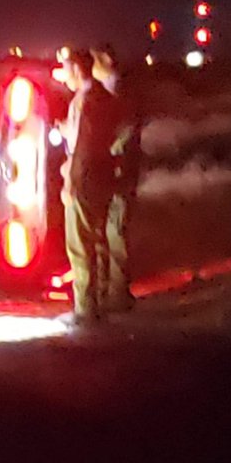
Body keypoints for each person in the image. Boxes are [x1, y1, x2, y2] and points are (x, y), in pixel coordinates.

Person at [58, 47, 122, 323]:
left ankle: (84, 309)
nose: (63, 76)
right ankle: (101, 300)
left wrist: (70, 182)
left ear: (76, 69)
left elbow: (83, 146)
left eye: (65, 69)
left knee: (80, 242)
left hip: (85, 177)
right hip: (103, 175)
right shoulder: (104, 97)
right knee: (97, 239)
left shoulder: (85, 101)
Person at [91, 44, 143, 313]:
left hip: (119, 175)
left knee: (116, 232)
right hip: (112, 174)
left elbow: (123, 135)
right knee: (105, 232)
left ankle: (117, 295)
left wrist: (103, 150)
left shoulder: (119, 96)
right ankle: (107, 292)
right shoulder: (111, 95)